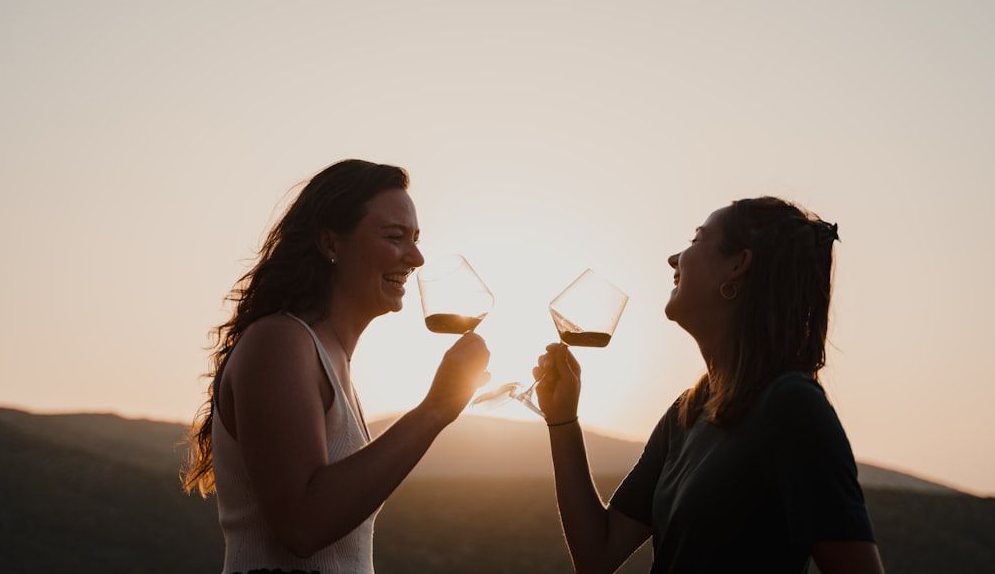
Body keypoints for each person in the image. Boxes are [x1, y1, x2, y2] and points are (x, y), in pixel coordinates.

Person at [534, 196, 885, 573]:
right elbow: (596, 553)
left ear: (737, 265)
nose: (674, 259)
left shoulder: (792, 407)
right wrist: (562, 421)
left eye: (697, 239)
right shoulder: (688, 411)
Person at [181, 158, 491, 574]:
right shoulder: (280, 342)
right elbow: (302, 524)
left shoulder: (329, 358)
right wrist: (435, 410)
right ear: (330, 244)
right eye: (395, 237)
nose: (416, 257)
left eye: (416, 238)